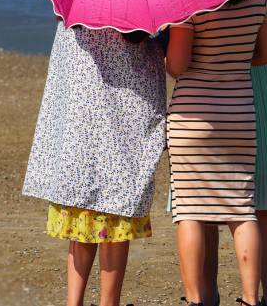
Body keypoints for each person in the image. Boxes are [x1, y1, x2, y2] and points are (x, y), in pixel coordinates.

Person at [22, 21, 167, 306]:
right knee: (117, 213)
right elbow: (157, 52)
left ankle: (73, 302)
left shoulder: (76, 12)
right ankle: (108, 302)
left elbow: (64, 67)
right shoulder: (138, 10)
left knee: (82, 211)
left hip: (81, 123)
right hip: (125, 120)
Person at [166, 0, 267, 306]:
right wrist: (234, 62)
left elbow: (178, 65)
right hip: (239, 112)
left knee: (189, 210)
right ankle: (249, 299)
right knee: (242, 210)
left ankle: (195, 299)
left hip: (193, 116)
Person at [202, 0, 267, 306]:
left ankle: (206, 294)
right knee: (261, 201)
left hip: (205, 89)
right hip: (250, 89)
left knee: (202, 203)